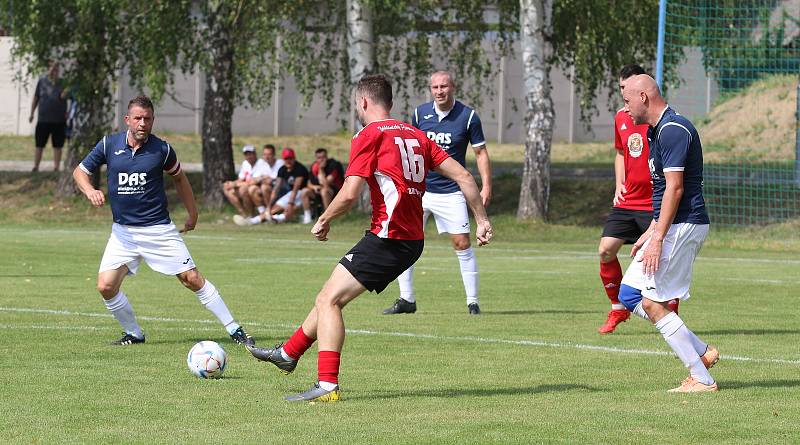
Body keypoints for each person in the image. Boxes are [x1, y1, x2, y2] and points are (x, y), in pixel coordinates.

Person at [246, 74, 493, 402]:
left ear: (363, 102)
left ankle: (327, 385)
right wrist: (482, 219)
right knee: (330, 296)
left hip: (388, 238)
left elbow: (349, 195)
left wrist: (324, 218)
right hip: (409, 240)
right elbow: (464, 175)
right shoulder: (416, 134)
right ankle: (288, 354)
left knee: (328, 301)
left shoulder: (369, 135)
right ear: (389, 102)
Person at [72, 95, 255, 347]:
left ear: (153, 120)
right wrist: (89, 190)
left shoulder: (162, 149)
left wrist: (193, 213)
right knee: (105, 286)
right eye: (137, 118)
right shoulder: (108, 145)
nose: (142, 123)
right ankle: (134, 333)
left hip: (158, 230)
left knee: (191, 278)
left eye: (147, 119)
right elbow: (80, 172)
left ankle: (235, 330)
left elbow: (180, 179)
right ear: (127, 120)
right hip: (123, 233)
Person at [617, 75, 718, 392]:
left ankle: (701, 378)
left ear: (644, 97)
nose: (625, 107)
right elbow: (662, 188)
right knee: (630, 294)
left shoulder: (673, 129)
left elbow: (676, 187)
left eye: (627, 100)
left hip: (683, 224)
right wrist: (650, 230)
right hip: (668, 224)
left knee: (652, 304)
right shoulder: (654, 131)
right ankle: (702, 352)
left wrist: (659, 236)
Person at [384, 70, 492, 316]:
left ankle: (472, 302)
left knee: (461, 242)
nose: (440, 91)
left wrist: (486, 186)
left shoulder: (468, 116)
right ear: (430, 89)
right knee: (403, 241)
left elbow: (480, 153)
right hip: (419, 190)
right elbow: (410, 147)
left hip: (451, 190)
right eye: (435, 87)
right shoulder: (420, 113)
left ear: (453, 87)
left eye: (444, 86)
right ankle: (406, 299)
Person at [597, 64, 679, 334]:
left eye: (627, 89)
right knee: (605, 250)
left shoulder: (657, 120)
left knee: (658, 260)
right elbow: (621, 152)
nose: (623, 94)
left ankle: (669, 311)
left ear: (642, 91)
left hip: (652, 203)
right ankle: (617, 309)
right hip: (627, 200)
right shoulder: (622, 117)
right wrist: (619, 182)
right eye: (621, 88)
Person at [234, 147, 311, 225]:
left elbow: (296, 188)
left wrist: (290, 203)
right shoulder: (282, 169)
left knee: (286, 209)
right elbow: (276, 189)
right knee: (273, 209)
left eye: (290, 158)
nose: (288, 161)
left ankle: (254, 221)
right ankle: (261, 220)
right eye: (286, 159)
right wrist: (269, 206)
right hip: (290, 194)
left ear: (294, 158)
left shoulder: (300, 169)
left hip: (302, 193)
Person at [29, 61, 69, 172]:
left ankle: (56, 167)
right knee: (39, 144)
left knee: (58, 146)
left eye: (57, 68)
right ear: (48, 68)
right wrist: (32, 113)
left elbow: (67, 97)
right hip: (43, 120)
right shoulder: (42, 82)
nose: (55, 70)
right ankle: (36, 166)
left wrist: (66, 93)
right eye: (52, 67)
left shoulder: (63, 83)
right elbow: (36, 98)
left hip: (59, 120)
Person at [224, 145, 263, 218]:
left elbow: (253, 181)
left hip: (256, 187)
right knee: (227, 189)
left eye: (250, 154)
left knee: (243, 190)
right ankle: (243, 213)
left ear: (255, 154)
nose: (248, 156)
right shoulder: (245, 163)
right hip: (246, 185)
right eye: (246, 154)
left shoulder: (261, 163)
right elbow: (241, 178)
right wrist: (231, 184)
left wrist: (235, 184)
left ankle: (251, 215)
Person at [303, 147, 345, 213]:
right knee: (304, 191)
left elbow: (325, 184)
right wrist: (314, 187)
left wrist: (321, 169)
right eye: (319, 158)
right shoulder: (314, 166)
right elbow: (308, 183)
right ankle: (307, 216)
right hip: (320, 191)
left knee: (324, 191)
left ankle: (327, 216)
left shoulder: (333, 165)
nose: (321, 160)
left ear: (326, 157)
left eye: (323, 157)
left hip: (336, 192)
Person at [247, 144, 284, 215]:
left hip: (280, 190)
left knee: (265, 187)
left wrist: (264, 178)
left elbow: (274, 180)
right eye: (264, 154)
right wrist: (263, 178)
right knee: (252, 189)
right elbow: (254, 180)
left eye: (269, 154)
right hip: (268, 188)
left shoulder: (280, 163)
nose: (266, 157)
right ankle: (262, 212)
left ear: (274, 155)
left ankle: (269, 212)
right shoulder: (262, 164)